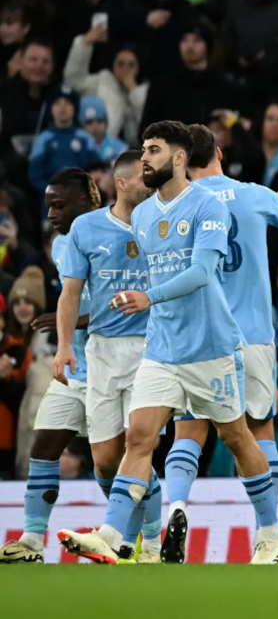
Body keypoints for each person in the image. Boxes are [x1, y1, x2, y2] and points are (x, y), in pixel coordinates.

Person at [57, 120, 278, 565]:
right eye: (143, 149)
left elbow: (202, 273)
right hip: (162, 347)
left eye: (155, 150)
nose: (145, 158)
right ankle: (109, 533)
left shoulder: (207, 206)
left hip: (211, 346)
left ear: (179, 158)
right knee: (140, 437)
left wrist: (149, 297)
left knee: (238, 437)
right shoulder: (142, 214)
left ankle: (271, 533)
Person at [159, 124, 278, 557]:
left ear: (180, 159)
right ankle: (268, 533)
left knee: (187, 432)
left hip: (199, 336)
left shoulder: (175, 204)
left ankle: (176, 506)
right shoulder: (254, 193)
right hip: (251, 334)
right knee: (259, 430)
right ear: (218, 151)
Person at [46, 156, 161, 563]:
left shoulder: (162, 223)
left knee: (138, 442)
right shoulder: (86, 228)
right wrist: (63, 346)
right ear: (123, 183)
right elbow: (70, 293)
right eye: (145, 177)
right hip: (101, 351)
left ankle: (145, 542)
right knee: (106, 460)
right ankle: (134, 535)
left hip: (152, 348)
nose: (152, 183)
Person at [0, 168, 110, 564]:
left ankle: (147, 542)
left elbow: (124, 304)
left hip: (113, 366)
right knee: (43, 446)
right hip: (74, 364)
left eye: (60, 204)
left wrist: (72, 320)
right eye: (48, 204)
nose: (51, 213)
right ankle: (31, 540)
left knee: (110, 464)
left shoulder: (118, 234)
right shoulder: (63, 245)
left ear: (88, 200)